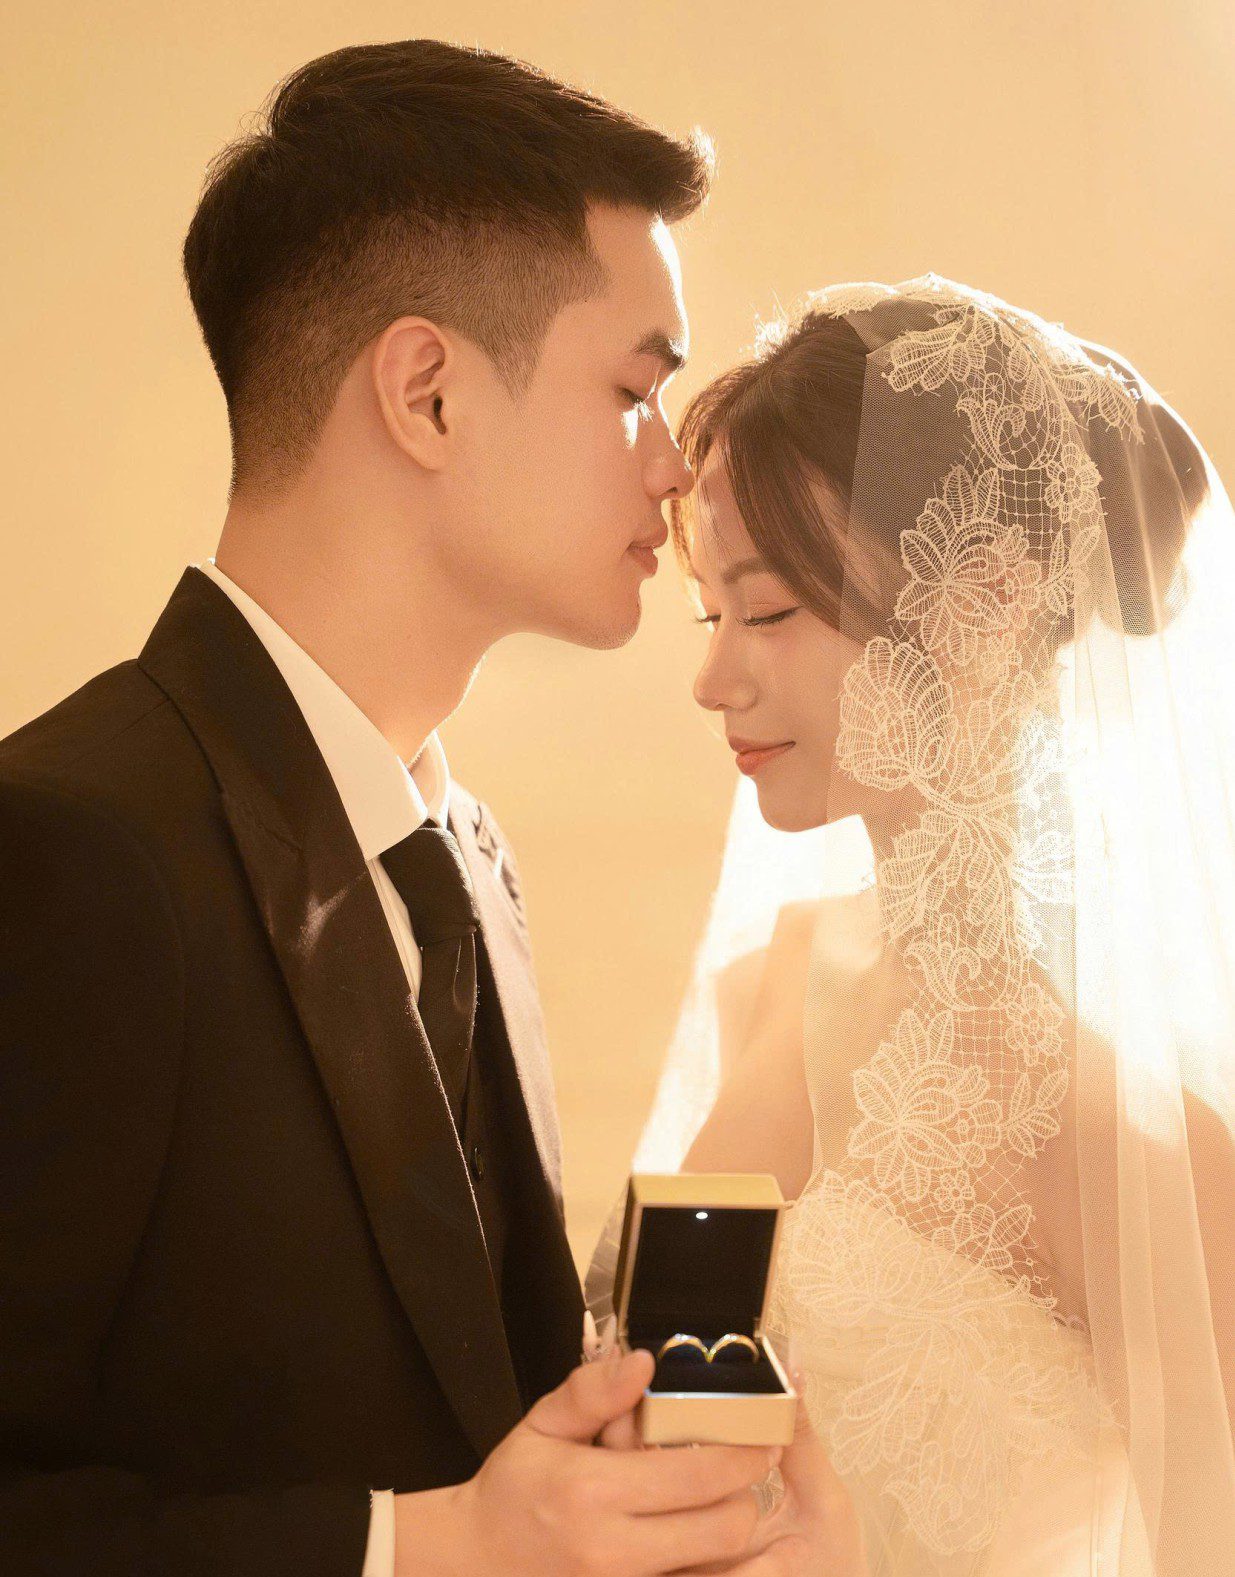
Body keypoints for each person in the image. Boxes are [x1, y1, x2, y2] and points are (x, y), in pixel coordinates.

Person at [0, 39, 860, 1577]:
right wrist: (415, 1547)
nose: (674, 471)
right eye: (635, 389)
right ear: (429, 393)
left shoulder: (465, 860)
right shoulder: (71, 846)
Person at [586, 274, 1235, 1573]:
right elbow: (667, 1420)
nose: (713, 677)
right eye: (713, 614)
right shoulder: (774, 981)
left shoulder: (1132, 1136)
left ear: (981, 600)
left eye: (768, 611)